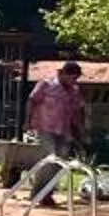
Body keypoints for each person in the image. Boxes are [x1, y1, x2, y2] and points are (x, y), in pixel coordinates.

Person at [19, 59, 89, 206]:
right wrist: (27, 120)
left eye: (76, 78)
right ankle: (37, 193)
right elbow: (32, 101)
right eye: (72, 77)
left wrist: (81, 131)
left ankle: (48, 193)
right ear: (62, 74)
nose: (74, 81)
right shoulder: (46, 84)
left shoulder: (74, 91)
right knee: (50, 159)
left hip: (64, 131)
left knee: (60, 163)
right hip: (45, 128)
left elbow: (78, 111)